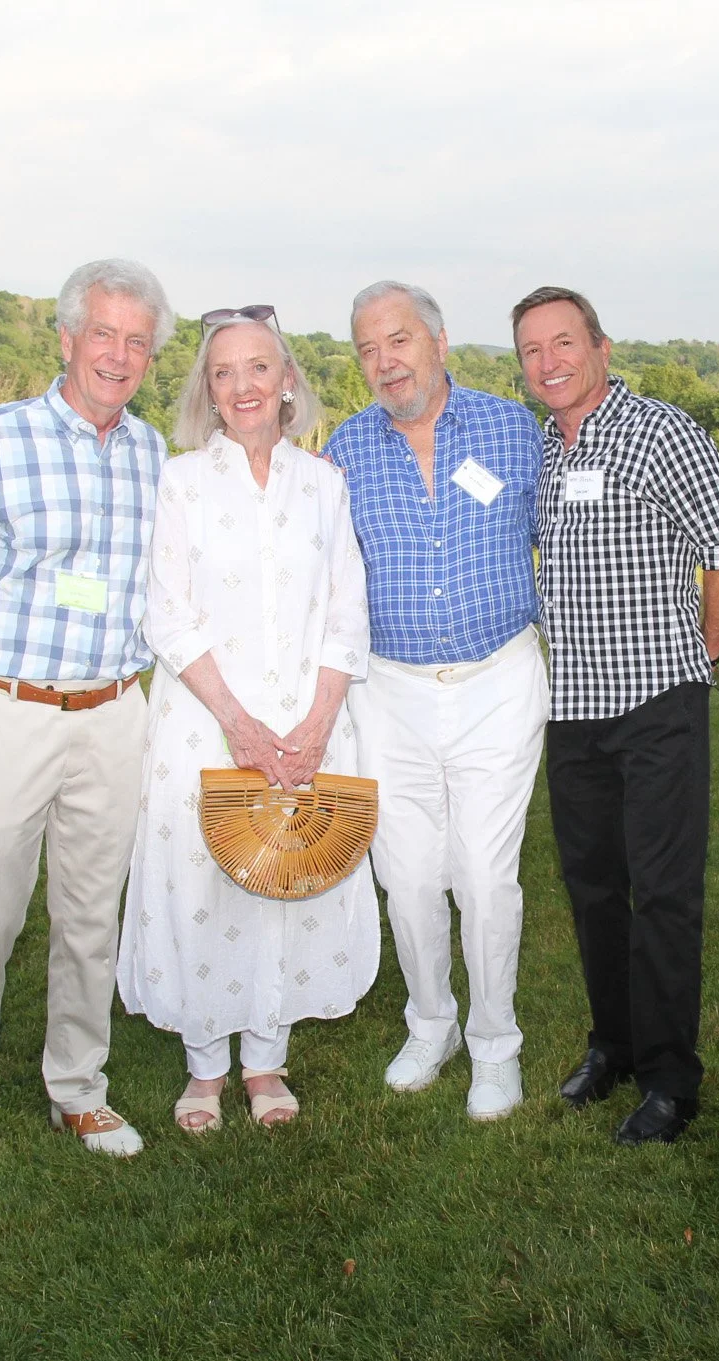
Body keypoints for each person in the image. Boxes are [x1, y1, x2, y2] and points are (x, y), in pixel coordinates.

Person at [0, 258, 174, 1178]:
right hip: (5, 714)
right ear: (65, 339)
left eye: (137, 341)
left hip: (112, 715)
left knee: (92, 917)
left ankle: (79, 1089)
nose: (119, 354)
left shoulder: (150, 454)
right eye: (104, 334)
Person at [117, 305, 378, 1133]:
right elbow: (167, 612)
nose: (243, 387)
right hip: (206, 720)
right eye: (223, 373)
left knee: (284, 880)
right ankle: (204, 1067)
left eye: (258, 367)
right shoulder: (181, 482)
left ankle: (265, 1059)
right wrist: (235, 720)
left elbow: (347, 607)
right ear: (209, 390)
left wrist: (317, 719)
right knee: (207, 885)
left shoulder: (323, 485)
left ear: (288, 380)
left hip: (307, 723)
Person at [511, 284, 719, 1145]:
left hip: (657, 706)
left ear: (601, 347)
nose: (550, 362)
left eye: (564, 343)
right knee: (593, 892)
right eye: (533, 350)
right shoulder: (540, 448)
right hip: (571, 711)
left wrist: (701, 658)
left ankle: (669, 1080)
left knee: (662, 896)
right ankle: (611, 1044)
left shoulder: (662, 432)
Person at [325, 281, 547, 1121]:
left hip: (498, 679)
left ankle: (496, 1045)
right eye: (368, 350)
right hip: (389, 693)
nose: (386, 362)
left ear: (440, 341)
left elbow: (559, 537)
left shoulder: (509, 429)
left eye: (400, 340)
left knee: (487, 878)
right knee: (409, 876)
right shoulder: (345, 450)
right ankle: (433, 1023)